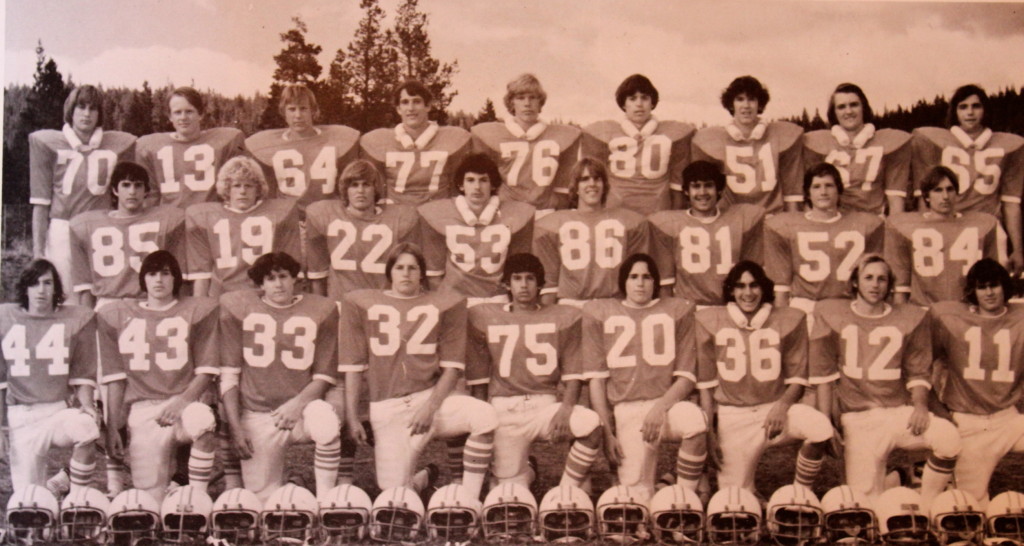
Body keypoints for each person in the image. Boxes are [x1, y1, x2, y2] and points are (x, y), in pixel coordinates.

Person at [339, 243, 498, 500]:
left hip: (429, 400)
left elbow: (452, 368)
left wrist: (430, 407)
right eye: (399, 267)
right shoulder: (363, 304)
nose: (406, 273)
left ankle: (469, 497)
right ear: (389, 272)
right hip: (388, 407)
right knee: (393, 492)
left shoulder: (443, 304)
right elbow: (353, 367)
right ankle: (422, 478)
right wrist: (352, 416)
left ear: (422, 273)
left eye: (412, 268)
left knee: (485, 416)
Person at [811, 254, 960, 505]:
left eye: (882, 279)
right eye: (868, 277)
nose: (875, 284)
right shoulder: (832, 313)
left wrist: (921, 406)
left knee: (949, 439)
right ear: (855, 282)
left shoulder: (910, 317)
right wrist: (827, 423)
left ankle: (928, 502)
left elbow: (917, 372)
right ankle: (897, 479)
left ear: (890, 284)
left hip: (898, 412)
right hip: (859, 418)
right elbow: (824, 376)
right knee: (866, 503)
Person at [466, 253, 602, 488]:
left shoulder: (563, 317)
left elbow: (573, 376)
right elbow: (479, 380)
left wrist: (566, 408)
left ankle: (565, 490)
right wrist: (483, 417)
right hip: (504, 408)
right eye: (517, 278)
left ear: (540, 284)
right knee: (508, 494)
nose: (524, 285)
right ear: (507, 284)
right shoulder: (486, 316)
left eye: (530, 279)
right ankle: (526, 472)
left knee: (590, 424)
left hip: (545, 406)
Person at [695, 261, 832, 492]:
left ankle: (800, 492)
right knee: (736, 496)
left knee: (820, 428)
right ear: (731, 290)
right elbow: (706, 388)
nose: (747, 293)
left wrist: (781, 406)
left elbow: (797, 379)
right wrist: (710, 433)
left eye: (754, 285)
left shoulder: (789, 319)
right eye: (740, 286)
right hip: (734, 415)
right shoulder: (710, 321)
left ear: (764, 288)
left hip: (775, 410)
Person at [219, 251, 342, 503]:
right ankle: (294, 484)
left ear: (294, 278)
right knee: (264, 501)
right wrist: (236, 427)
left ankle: (325, 501)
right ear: (260, 284)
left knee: (325, 421)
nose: (278, 284)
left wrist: (297, 405)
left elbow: (324, 375)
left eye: (283, 276)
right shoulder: (239, 309)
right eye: (270, 278)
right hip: (259, 414)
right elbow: (229, 378)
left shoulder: (321, 309)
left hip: (302, 411)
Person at [97, 251, 218, 503]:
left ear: (176, 278)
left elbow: (207, 370)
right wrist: (112, 428)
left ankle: (197, 499)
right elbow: (116, 380)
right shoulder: (118, 313)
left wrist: (183, 401)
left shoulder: (196, 309)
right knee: (150, 500)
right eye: (152, 273)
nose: (159, 280)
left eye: (166, 273)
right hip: (144, 409)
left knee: (203, 421)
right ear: (143, 280)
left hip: (184, 403)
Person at [583, 253, 708, 495]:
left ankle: (682, 497)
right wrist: (608, 433)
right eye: (633, 277)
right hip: (627, 411)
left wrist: (659, 409)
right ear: (624, 282)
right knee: (638, 496)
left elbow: (686, 377)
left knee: (696, 422)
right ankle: (661, 484)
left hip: (666, 407)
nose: (640, 283)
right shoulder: (602, 313)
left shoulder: (677, 310)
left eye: (647, 277)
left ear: (656, 282)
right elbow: (596, 382)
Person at [0, 259, 100, 495]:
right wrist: (1, 427)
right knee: (28, 501)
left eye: (47, 283)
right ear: (25, 288)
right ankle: (51, 492)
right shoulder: (6, 318)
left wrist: (87, 405)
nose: (41, 290)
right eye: (34, 284)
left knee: (86, 427)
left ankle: (76, 499)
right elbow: (1, 382)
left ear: (56, 288)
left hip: (56, 411)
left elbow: (82, 375)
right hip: (21, 416)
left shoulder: (76, 319)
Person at [931, 258, 1024, 507]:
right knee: (971, 504)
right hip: (969, 421)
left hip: (1009, 418)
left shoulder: (1021, 317)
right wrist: (937, 408)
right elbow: (924, 363)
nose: (990, 292)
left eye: (994, 285)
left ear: (1005, 286)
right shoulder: (948, 316)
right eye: (982, 287)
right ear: (973, 291)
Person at [30, 85, 137, 286]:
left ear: (99, 114)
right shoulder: (49, 143)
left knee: (105, 294)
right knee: (65, 293)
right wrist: (38, 252)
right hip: (63, 228)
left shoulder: (119, 143)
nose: (87, 114)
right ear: (71, 110)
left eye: (93, 108)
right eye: (81, 107)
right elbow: (40, 204)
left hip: (103, 227)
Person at [912, 84, 1024, 274]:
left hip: (988, 229)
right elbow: (924, 199)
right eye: (963, 107)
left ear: (985, 110)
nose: (970, 112)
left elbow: (1011, 203)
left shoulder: (1008, 146)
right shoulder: (935, 142)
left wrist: (1019, 249)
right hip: (947, 227)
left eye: (976, 106)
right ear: (954, 112)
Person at [765, 162, 883, 320]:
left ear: (839, 190)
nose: (823, 192)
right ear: (807, 193)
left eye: (829, 185)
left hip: (848, 306)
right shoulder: (787, 226)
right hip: (807, 307)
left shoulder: (864, 225)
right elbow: (781, 286)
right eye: (816, 187)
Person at [419, 153, 535, 306]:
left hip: (497, 298)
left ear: (493, 184)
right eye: (470, 180)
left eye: (483, 180)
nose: (477, 187)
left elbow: (519, 270)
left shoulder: (514, 214)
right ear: (461, 185)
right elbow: (435, 274)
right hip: (456, 299)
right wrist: (445, 303)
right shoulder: (441, 214)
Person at [533, 158, 650, 307]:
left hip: (614, 305)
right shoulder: (552, 225)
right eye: (584, 179)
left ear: (605, 185)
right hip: (572, 305)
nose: (592, 184)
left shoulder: (630, 222)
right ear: (575, 187)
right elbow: (549, 283)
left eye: (597, 178)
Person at [69, 161, 186, 309]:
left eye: (138, 185)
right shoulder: (87, 224)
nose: (132, 191)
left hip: (150, 301)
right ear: (115, 190)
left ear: (146, 191)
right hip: (109, 302)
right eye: (126, 185)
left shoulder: (166, 219)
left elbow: (178, 278)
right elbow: (84, 287)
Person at [885, 165, 1006, 306]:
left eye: (950, 189)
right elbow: (901, 287)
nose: (945, 196)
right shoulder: (905, 226)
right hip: (924, 309)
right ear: (927, 196)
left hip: (967, 310)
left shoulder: (983, 224)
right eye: (938, 190)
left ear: (957, 193)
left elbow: (994, 282)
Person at [649, 160, 764, 306]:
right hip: (690, 308)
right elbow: (666, 285)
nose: (702, 192)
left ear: (719, 189)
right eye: (696, 186)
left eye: (708, 185)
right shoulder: (670, 224)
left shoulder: (739, 219)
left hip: (732, 308)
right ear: (686, 191)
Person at [186, 155, 302, 298]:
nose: (242, 191)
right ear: (227, 189)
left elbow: (292, 273)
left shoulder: (280, 213)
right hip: (224, 296)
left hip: (267, 297)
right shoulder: (205, 217)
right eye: (236, 185)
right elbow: (201, 275)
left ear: (258, 189)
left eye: (248, 185)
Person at [306, 159, 421, 299]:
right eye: (354, 185)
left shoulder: (400, 219)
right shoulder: (324, 215)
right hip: (343, 302)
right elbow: (318, 276)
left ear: (376, 188)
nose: (360, 191)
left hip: (383, 303)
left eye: (366, 185)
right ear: (345, 190)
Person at [582, 74, 695, 214]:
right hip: (617, 209)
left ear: (653, 103)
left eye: (645, 98)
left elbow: (677, 185)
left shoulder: (672, 134)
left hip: (658, 208)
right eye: (632, 98)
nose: (639, 104)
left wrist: (676, 214)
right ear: (624, 104)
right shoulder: (606, 133)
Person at [691, 76, 803, 213]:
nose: (746, 105)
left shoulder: (779, 135)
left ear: (760, 104)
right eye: (740, 99)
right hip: (730, 220)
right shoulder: (712, 139)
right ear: (731, 104)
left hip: (772, 217)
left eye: (751, 99)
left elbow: (792, 193)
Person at [471, 73, 581, 213]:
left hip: (546, 212)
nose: (527, 103)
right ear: (511, 103)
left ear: (540, 102)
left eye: (533, 97)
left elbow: (564, 187)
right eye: (520, 98)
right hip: (506, 213)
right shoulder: (491, 135)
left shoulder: (562, 136)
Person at [245, 83, 360, 212]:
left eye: (303, 108)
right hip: (288, 215)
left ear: (313, 110)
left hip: (327, 214)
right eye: (292, 109)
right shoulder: (267, 144)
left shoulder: (337, 138)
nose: (298, 115)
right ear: (283, 112)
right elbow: (267, 190)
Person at [803, 83, 912, 215]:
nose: (848, 111)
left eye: (854, 104)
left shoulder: (887, 143)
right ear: (834, 113)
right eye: (841, 107)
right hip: (832, 222)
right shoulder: (818, 144)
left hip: (873, 221)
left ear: (864, 108)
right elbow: (809, 201)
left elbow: (896, 200)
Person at [360, 80, 472, 206]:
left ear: (428, 106)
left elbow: (459, 186)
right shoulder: (380, 140)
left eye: (417, 101)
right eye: (405, 102)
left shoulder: (452, 137)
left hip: (438, 213)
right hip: (397, 215)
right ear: (398, 109)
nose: (411, 108)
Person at [134, 86, 246, 209]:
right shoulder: (150, 146)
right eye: (177, 112)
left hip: (210, 219)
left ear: (200, 114)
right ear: (170, 117)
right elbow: (151, 196)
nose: (183, 117)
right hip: (171, 221)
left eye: (189, 111)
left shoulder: (226, 140)